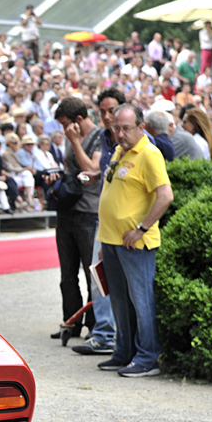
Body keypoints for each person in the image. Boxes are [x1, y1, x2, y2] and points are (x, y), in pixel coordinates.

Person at [97, 105, 173, 378]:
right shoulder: (120, 151)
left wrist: (141, 228)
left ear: (141, 128)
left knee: (141, 301)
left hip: (135, 242)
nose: (119, 133)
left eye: (126, 128)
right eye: (115, 128)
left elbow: (165, 196)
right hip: (112, 239)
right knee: (119, 300)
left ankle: (148, 357)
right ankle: (124, 352)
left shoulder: (149, 153)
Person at [52, 97, 108, 352]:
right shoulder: (69, 135)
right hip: (67, 211)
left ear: (77, 120)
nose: (64, 130)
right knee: (67, 273)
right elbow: (71, 169)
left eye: (66, 124)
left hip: (88, 212)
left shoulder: (98, 136)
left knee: (91, 273)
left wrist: (75, 142)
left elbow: (92, 169)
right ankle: (71, 322)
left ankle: (94, 325)